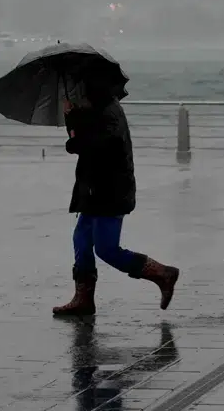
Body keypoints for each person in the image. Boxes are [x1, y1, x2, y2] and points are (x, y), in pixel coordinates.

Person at [52, 79, 179, 317]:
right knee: (81, 240)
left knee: (106, 249)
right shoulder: (97, 110)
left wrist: (74, 137)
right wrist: (71, 117)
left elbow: (97, 146)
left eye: (81, 90)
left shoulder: (108, 114)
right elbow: (84, 138)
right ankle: (83, 299)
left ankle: (162, 273)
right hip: (93, 189)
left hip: (109, 191)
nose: (78, 94)